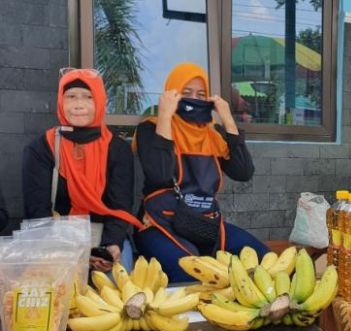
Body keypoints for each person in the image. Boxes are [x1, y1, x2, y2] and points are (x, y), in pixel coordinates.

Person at [133, 63, 268, 282]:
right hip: (159, 224)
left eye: (201, 94)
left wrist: (228, 120)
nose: (193, 99)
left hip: (206, 224)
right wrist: (166, 117)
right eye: (185, 93)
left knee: (265, 261)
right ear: (171, 93)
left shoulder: (213, 134)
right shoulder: (151, 128)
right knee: (192, 274)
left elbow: (243, 171)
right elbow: (159, 174)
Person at [22, 68, 143, 272]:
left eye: (88, 97)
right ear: (61, 101)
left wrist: (111, 245)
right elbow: (37, 211)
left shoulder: (117, 149)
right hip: (55, 239)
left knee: (115, 287)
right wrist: (61, 254)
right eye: (71, 96)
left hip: (103, 237)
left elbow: (120, 205)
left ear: (100, 101)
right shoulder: (42, 148)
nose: (78, 104)